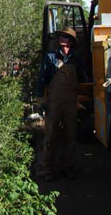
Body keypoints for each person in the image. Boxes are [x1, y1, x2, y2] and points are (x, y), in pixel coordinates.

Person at [37, 26, 87, 181]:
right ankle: (47, 169)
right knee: (50, 136)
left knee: (70, 137)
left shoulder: (76, 59)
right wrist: (41, 100)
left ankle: (68, 168)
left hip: (71, 104)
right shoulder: (51, 57)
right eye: (61, 36)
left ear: (71, 41)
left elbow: (82, 79)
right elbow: (42, 79)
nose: (62, 39)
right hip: (54, 103)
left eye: (65, 37)